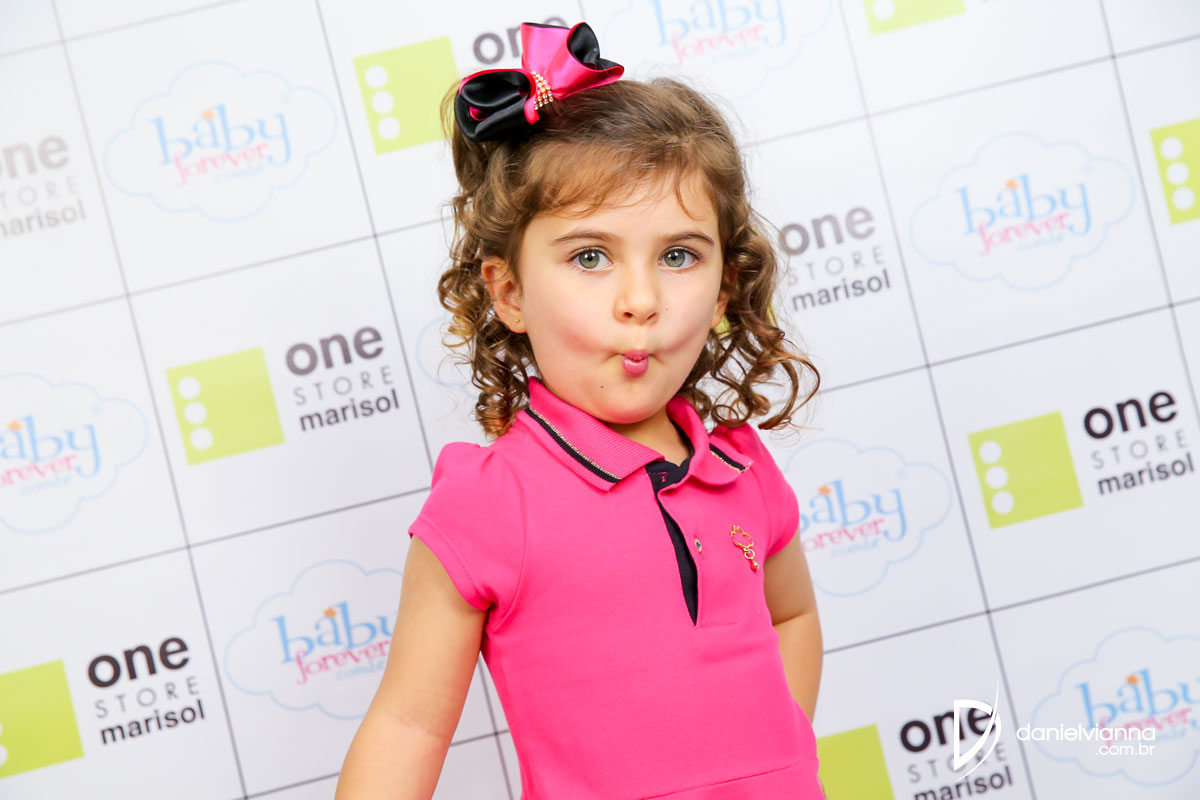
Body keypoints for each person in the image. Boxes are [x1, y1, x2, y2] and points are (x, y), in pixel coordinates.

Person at [336, 20, 826, 800]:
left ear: (723, 292)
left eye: (678, 255)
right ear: (509, 292)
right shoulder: (491, 502)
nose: (640, 299)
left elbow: (793, 618)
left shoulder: (743, 467)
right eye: (590, 256)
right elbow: (408, 726)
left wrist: (776, 759)